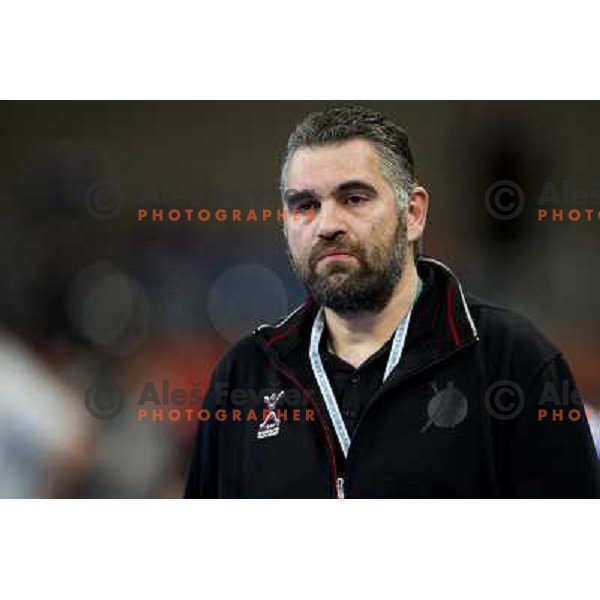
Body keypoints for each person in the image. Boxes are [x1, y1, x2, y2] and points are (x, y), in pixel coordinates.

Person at [184, 105, 599, 498]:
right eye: (305, 205)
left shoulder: (510, 361)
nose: (327, 224)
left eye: (354, 198)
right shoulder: (245, 377)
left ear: (413, 213)